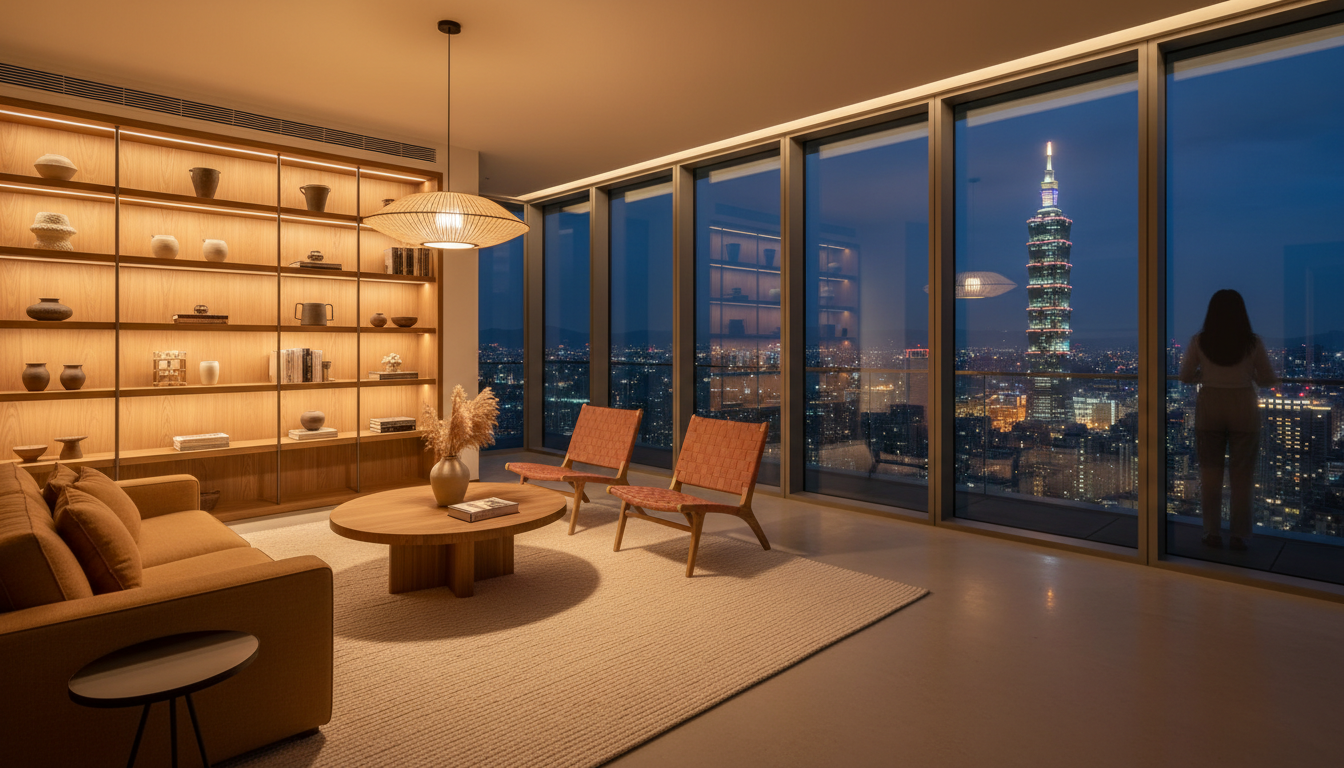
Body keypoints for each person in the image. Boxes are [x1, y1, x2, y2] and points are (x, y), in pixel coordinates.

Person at [1178, 289, 1278, 550]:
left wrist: (1205, 375)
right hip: (1243, 406)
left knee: (1210, 474)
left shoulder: (1199, 341)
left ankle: (1211, 532)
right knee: (1242, 477)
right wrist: (1248, 377)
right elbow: (1268, 378)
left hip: (1210, 406)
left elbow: (1185, 375)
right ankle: (1239, 535)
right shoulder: (1252, 342)